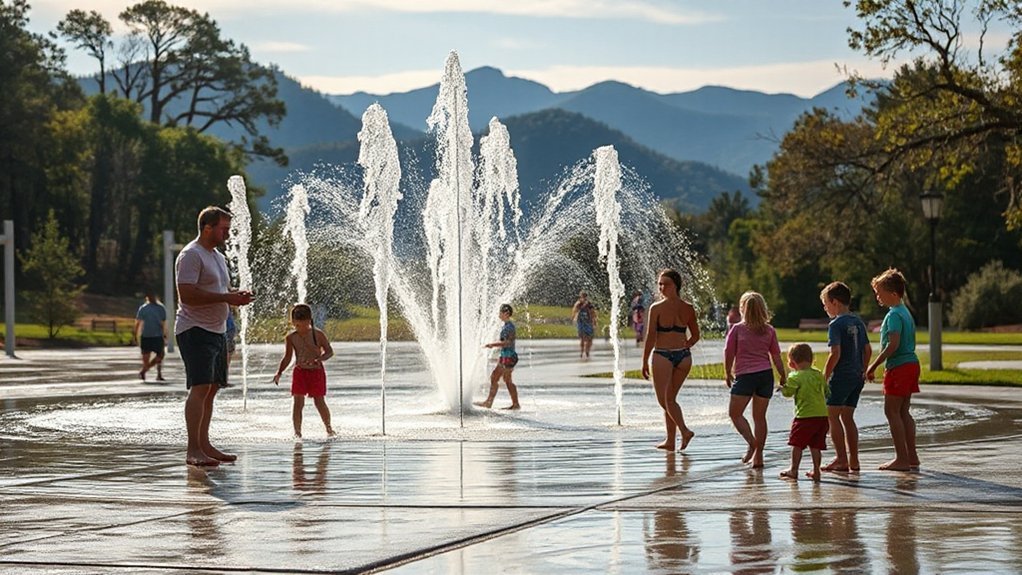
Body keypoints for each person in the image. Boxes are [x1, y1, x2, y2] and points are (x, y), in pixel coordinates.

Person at [176, 206, 254, 467]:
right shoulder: (191, 255)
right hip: (195, 329)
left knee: (211, 390)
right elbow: (186, 294)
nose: (227, 234)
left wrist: (235, 294)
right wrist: (225, 297)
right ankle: (192, 449)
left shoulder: (217, 256)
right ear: (207, 228)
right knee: (199, 389)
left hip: (218, 329)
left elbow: (220, 289)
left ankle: (205, 444)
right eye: (224, 229)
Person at [724, 291, 786, 468]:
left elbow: (729, 352)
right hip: (765, 376)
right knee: (759, 418)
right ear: (763, 309)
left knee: (735, 414)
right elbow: (776, 356)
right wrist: (782, 374)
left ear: (743, 309)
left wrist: (727, 372)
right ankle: (758, 456)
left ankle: (752, 443)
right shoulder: (769, 330)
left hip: (745, 376)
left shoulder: (737, 329)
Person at [866, 268, 920, 472]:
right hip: (911, 364)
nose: (877, 297)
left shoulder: (894, 315)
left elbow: (893, 344)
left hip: (899, 366)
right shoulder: (905, 312)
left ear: (894, 294)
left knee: (891, 411)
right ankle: (912, 456)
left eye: (880, 293)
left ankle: (901, 459)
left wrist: (873, 365)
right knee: (903, 411)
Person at [642, 269, 700, 451]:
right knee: (670, 399)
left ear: (676, 285)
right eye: (659, 284)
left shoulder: (658, 308)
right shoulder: (686, 307)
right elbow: (695, 336)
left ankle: (684, 430)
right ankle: (670, 440)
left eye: (665, 284)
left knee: (665, 400)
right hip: (682, 357)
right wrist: (685, 345)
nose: (661, 287)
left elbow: (651, 337)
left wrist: (644, 361)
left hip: (664, 355)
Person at [820, 281, 872, 473]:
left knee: (832, 415)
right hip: (856, 376)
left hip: (840, 376)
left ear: (834, 302)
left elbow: (835, 353)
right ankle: (854, 460)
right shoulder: (858, 322)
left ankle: (841, 459)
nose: (825, 308)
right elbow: (867, 350)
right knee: (848, 417)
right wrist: (863, 370)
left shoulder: (836, 324)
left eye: (825, 303)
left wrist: (824, 377)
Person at [273, 303, 336, 438]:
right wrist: (279, 372)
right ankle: (297, 432)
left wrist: (320, 359)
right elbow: (288, 357)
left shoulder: (318, 334)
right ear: (293, 322)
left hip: (316, 372)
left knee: (319, 401)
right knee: (298, 402)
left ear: (309, 321)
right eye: (297, 325)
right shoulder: (291, 338)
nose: (300, 328)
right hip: (300, 372)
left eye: (303, 324)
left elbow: (329, 352)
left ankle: (329, 428)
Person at [779, 343, 830, 482]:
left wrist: (783, 387)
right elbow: (827, 391)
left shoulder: (795, 376)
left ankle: (793, 469)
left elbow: (789, 393)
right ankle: (816, 470)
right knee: (816, 446)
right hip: (822, 416)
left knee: (797, 444)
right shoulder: (819, 374)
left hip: (804, 416)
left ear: (792, 361)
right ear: (811, 358)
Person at [475, 303, 521, 410]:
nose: (499, 314)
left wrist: (492, 345)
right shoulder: (507, 326)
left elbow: (507, 343)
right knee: (507, 380)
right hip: (507, 356)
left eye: (501, 312)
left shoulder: (509, 327)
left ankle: (489, 402)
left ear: (507, 313)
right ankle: (515, 404)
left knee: (494, 377)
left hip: (508, 358)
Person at [134, 290, 167, 382]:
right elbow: (138, 322)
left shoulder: (161, 308)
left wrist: (164, 334)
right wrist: (135, 334)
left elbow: (163, 323)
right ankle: (145, 370)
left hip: (158, 335)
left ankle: (151, 371)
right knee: (146, 356)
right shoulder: (144, 308)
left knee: (160, 355)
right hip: (146, 335)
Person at [572, 291, 597, 359]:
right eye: (582, 297)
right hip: (582, 323)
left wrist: (594, 321)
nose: (583, 298)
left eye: (584, 297)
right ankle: (583, 352)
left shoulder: (589, 304)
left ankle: (586, 351)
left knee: (589, 339)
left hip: (587, 323)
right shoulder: (579, 304)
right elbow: (574, 312)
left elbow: (593, 313)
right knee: (583, 338)